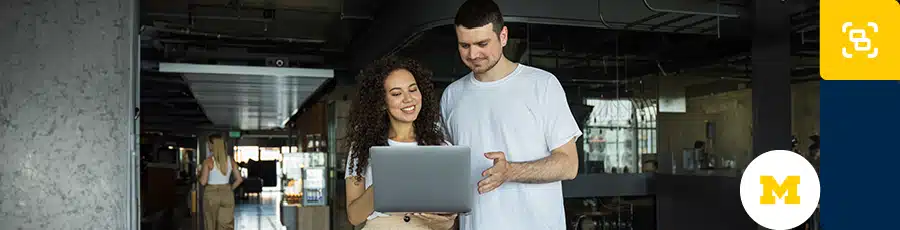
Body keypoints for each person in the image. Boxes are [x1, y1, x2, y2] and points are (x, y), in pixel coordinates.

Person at [441, 0, 582, 229]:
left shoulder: (543, 85)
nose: (473, 54)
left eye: (482, 43)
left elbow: (569, 165)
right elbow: (449, 169)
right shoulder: (451, 96)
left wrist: (510, 171)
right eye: (464, 45)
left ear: (503, 36)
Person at [344, 56, 457, 230]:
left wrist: (445, 220)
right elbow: (354, 217)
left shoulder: (441, 147)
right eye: (396, 93)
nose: (408, 99)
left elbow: (448, 221)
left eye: (413, 90)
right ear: (381, 102)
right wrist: (384, 183)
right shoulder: (362, 147)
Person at [199, 134, 243, 230]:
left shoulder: (208, 162)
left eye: (209, 144)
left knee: (210, 224)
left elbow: (203, 182)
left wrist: (199, 173)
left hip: (211, 194)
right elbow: (239, 179)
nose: (208, 146)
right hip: (227, 193)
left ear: (213, 145)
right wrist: (229, 189)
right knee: (226, 225)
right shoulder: (231, 160)